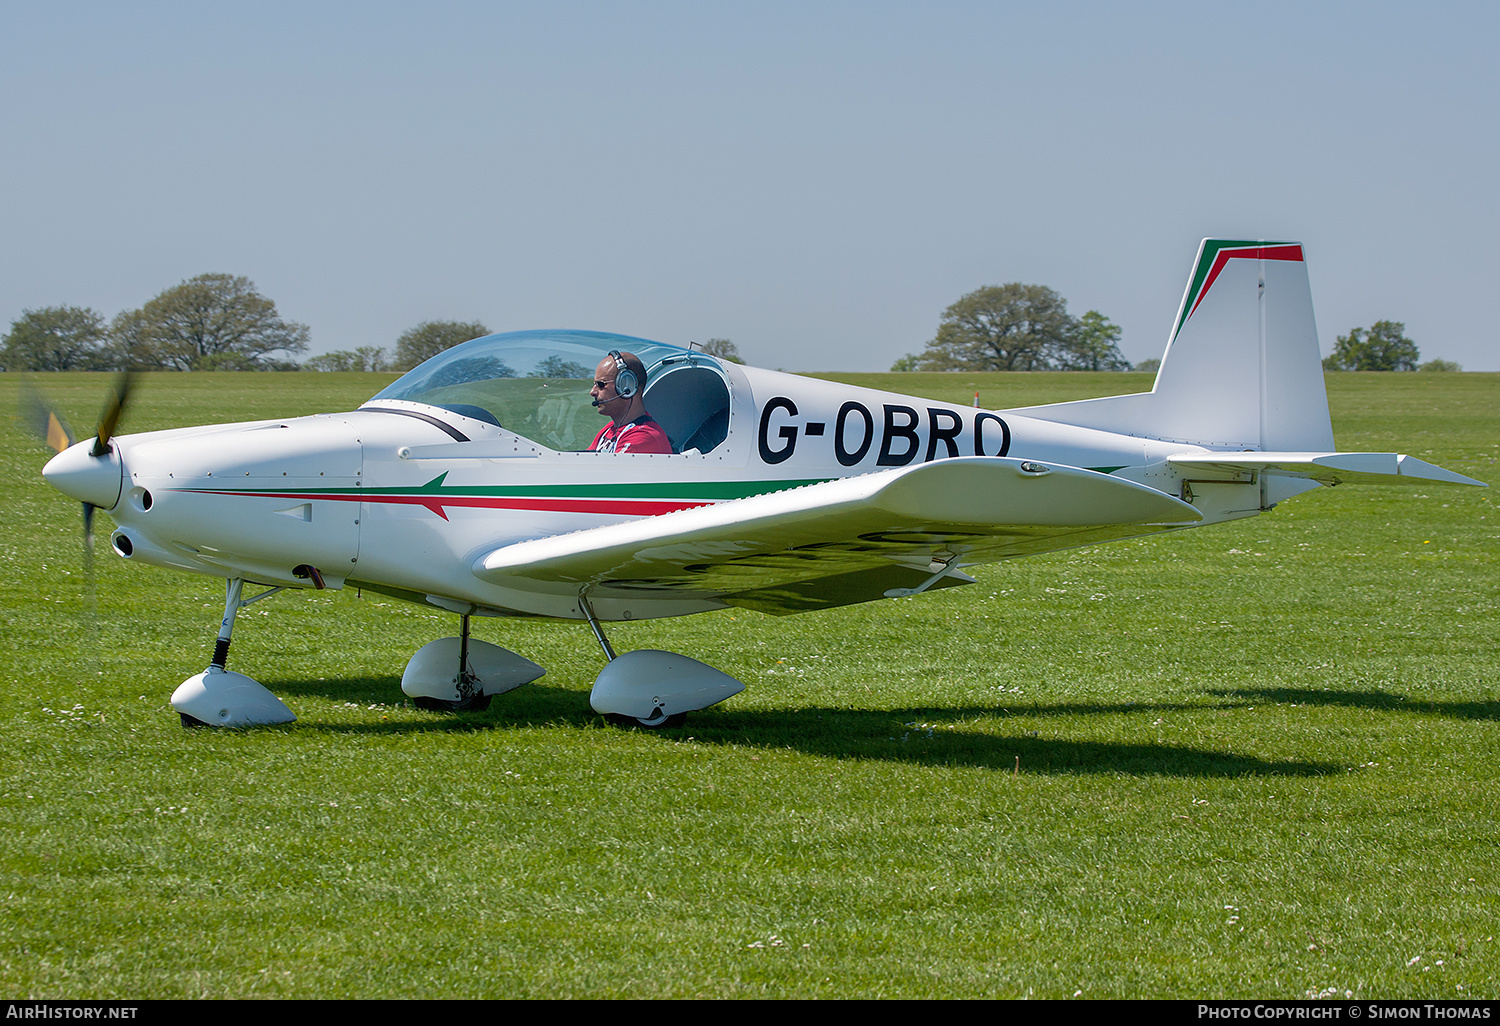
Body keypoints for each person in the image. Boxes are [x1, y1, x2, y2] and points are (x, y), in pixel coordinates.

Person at [587, 350, 673, 454]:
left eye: (601, 384)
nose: (593, 392)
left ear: (627, 386)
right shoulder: (608, 430)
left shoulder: (644, 436)